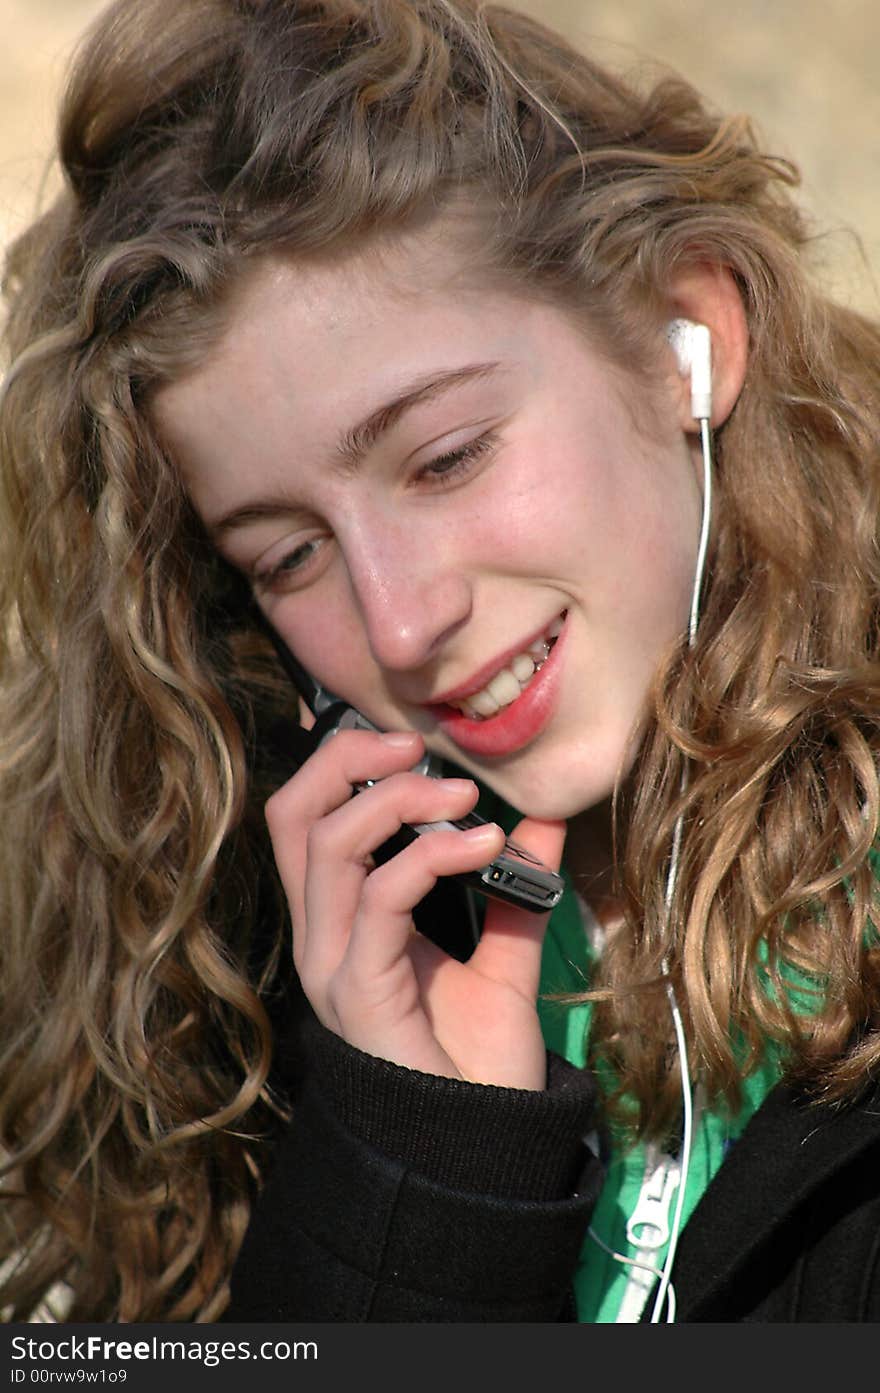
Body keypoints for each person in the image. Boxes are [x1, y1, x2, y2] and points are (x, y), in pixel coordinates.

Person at [2, 0, 879, 1326]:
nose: (401, 627)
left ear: (685, 340)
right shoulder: (266, 934)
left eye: (445, 456)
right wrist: (413, 1170)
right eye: (289, 554)